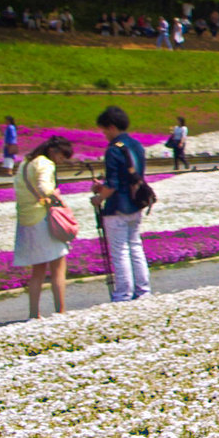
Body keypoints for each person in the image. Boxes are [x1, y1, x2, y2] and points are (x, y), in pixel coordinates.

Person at [91, 106, 152, 303]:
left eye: (104, 130)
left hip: (117, 207)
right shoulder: (136, 145)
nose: (104, 134)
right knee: (135, 246)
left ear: (111, 127)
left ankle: (123, 294)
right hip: (136, 203)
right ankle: (143, 290)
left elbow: (113, 184)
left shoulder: (113, 149)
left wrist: (99, 197)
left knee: (120, 251)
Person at [13, 136, 76, 320]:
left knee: (38, 271)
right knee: (58, 266)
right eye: (62, 157)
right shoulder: (46, 164)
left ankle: (34, 313)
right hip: (43, 220)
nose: (61, 161)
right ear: (53, 152)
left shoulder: (26, 163)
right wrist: (55, 198)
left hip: (27, 221)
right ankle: (60, 311)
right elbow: (44, 187)